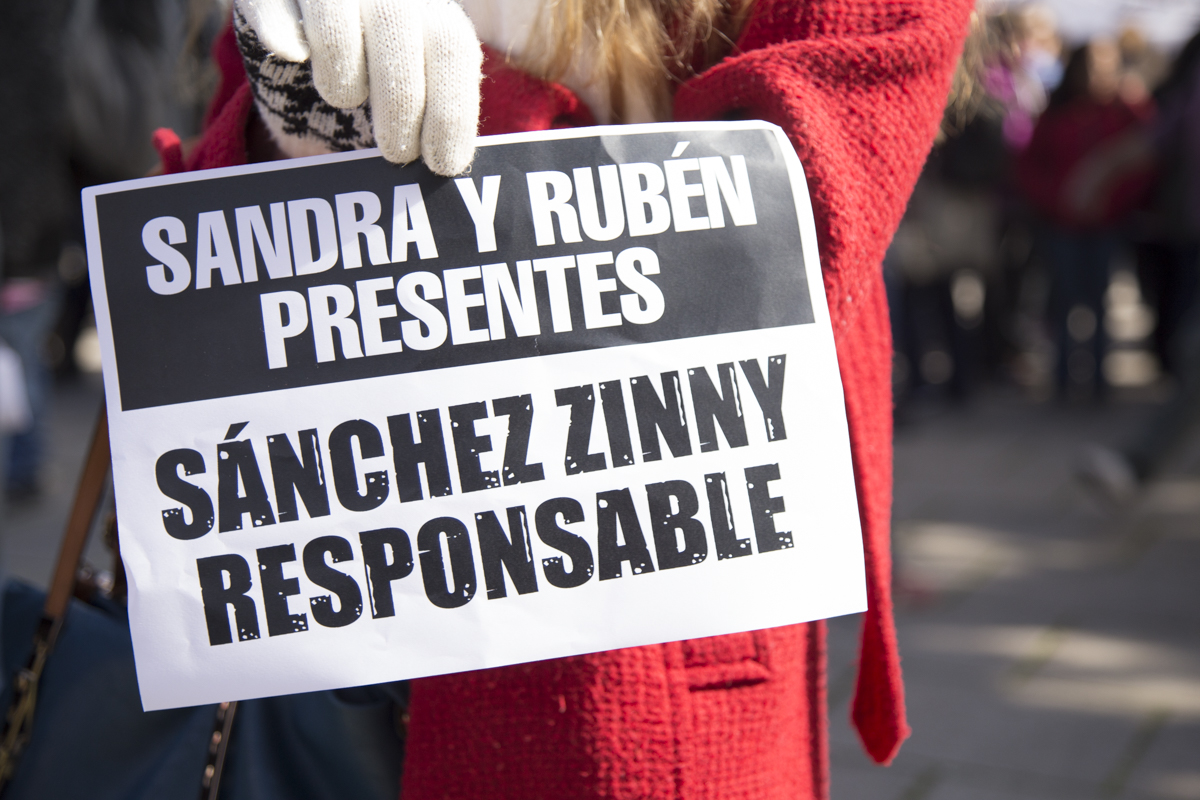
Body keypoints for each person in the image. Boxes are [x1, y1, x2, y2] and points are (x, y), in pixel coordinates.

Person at [153, 0, 974, 796]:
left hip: (618, 637)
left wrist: (444, 113)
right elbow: (218, 255)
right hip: (322, 604)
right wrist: (294, 113)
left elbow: (776, 228)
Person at [1017, 39, 1155, 400]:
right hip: (1062, 224)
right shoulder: (1057, 114)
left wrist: (1111, 203)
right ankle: (1063, 380)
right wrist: (1058, 201)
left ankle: (1097, 383)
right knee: (1065, 300)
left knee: (1099, 302)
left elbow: (1142, 164)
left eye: (1106, 66)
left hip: (1108, 224)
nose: (1098, 74)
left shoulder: (1125, 113)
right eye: (1092, 66)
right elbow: (1030, 168)